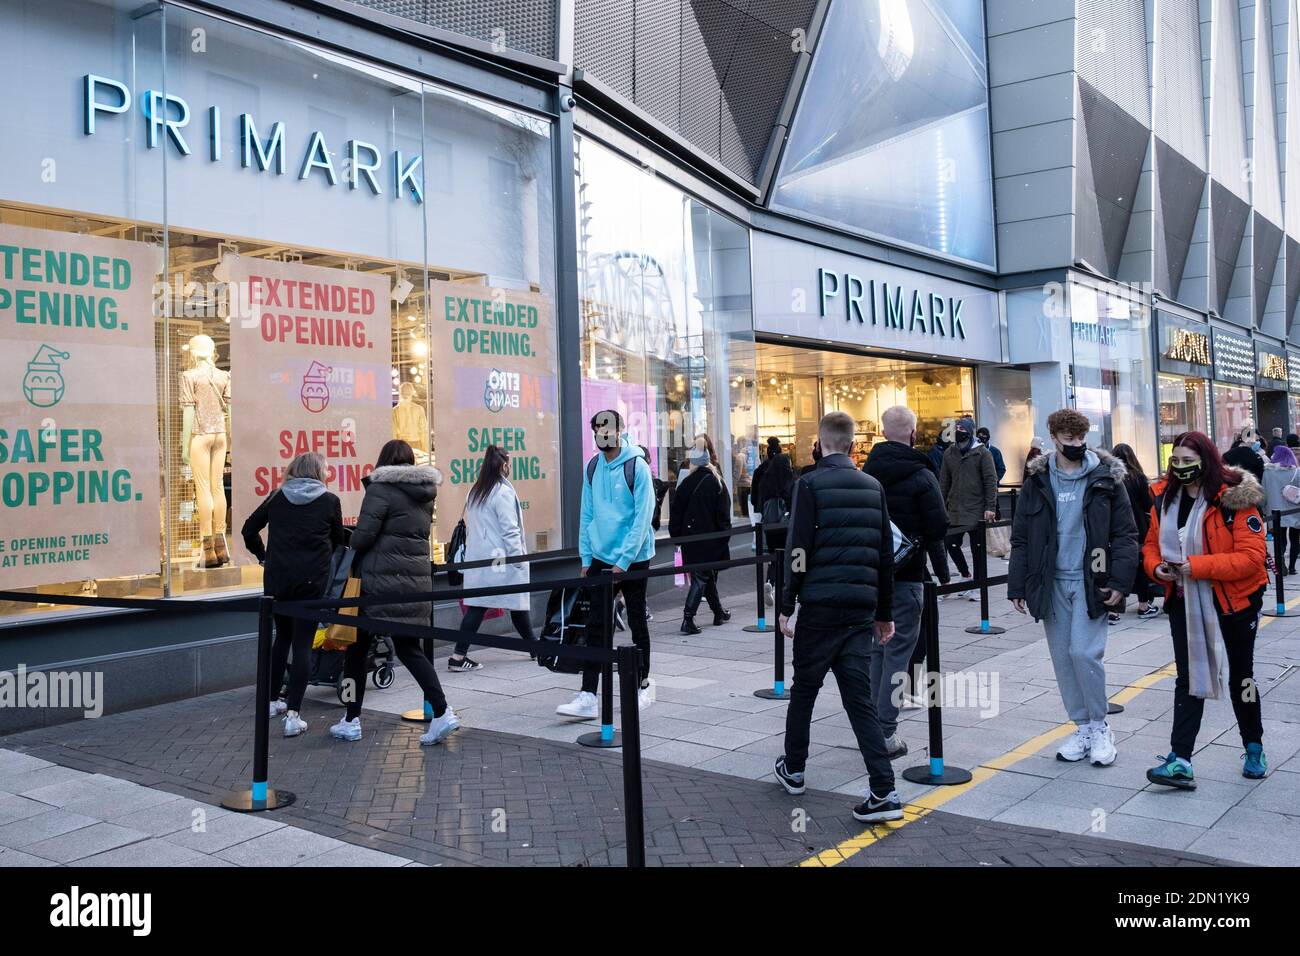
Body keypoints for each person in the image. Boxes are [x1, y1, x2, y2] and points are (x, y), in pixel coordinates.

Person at [773, 411, 903, 824]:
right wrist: (884, 613)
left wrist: (787, 604)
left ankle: (794, 768)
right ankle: (883, 789)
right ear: (850, 444)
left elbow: (798, 548)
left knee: (804, 690)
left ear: (820, 443)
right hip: (860, 609)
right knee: (859, 700)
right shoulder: (873, 486)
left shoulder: (808, 484)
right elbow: (885, 555)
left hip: (821, 606)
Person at [1007, 409, 1137, 767]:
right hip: (1051, 582)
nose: (1077, 445)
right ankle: (1082, 726)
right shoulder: (1036, 480)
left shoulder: (1106, 478)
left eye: (1081, 439)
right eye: (1069, 439)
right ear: (1053, 437)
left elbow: (1125, 534)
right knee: (1064, 660)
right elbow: (1021, 538)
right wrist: (1018, 584)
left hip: (1090, 581)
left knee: (1083, 653)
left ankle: (1100, 726)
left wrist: (1119, 583)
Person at [1143, 431, 1269, 788]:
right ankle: (1180, 759)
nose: (1181, 467)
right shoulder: (1164, 497)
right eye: (1176, 461)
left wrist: (1196, 566)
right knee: (1188, 678)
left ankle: (1254, 745)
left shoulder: (1234, 498)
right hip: (1184, 600)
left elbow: (1251, 558)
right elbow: (1151, 545)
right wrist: (1157, 569)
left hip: (1235, 602)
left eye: (1188, 461)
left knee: (1241, 677)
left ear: (1207, 460)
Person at [330, 440, 459, 746]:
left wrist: (350, 535)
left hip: (376, 584)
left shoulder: (380, 488)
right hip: (413, 583)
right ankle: (442, 711)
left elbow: (362, 538)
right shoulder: (425, 494)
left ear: (383, 461)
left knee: (356, 652)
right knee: (410, 649)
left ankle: (351, 718)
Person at [556, 410, 656, 719]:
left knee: (637, 620)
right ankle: (588, 694)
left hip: (635, 557)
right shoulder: (593, 467)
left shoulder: (636, 466)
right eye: (597, 428)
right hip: (600, 557)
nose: (603, 432)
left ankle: (642, 684)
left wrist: (623, 562)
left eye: (607, 427)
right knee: (596, 625)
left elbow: (643, 518)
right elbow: (586, 515)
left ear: (621, 429)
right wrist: (587, 559)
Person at [864, 405, 949, 757]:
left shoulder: (867, 473)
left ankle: (870, 724)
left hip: (872, 578)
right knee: (899, 653)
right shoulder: (922, 474)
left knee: (877, 651)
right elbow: (938, 527)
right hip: (908, 576)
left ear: (884, 433)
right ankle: (885, 731)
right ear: (913, 433)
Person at [242, 452, 345, 737]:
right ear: (319, 472)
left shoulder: (277, 497)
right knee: (302, 644)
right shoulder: (329, 501)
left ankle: (272, 701)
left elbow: (248, 529)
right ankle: (293, 715)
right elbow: (339, 541)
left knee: (281, 639)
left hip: (278, 582)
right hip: (311, 584)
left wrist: (263, 557)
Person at [447, 444, 537, 672]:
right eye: (509, 464)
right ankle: (536, 650)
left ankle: (458, 656)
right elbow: (510, 531)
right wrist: (518, 560)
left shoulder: (475, 491)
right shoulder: (502, 492)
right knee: (516, 604)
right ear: (504, 465)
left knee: (479, 606)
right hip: (501, 560)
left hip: (482, 559)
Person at [669, 439, 732, 634]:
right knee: (703, 575)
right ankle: (688, 618)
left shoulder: (685, 483)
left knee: (705, 575)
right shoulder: (717, 482)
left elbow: (676, 514)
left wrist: (677, 538)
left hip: (690, 539)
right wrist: (724, 537)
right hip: (711, 539)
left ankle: (718, 612)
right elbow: (724, 515)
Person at [939, 416, 998, 598]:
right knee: (950, 543)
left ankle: (979, 585)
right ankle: (965, 575)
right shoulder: (949, 453)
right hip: (955, 508)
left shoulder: (982, 453)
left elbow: (990, 480)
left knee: (977, 548)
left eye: (962, 430)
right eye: (956, 429)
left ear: (969, 432)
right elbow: (944, 481)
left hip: (977, 508)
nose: (958, 433)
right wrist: (941, 505)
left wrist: (990, 506)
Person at [1109, 443, 1160, 623]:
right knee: (1139, 566)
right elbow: (1148, 504)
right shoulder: (1138, 477)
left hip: (1112, 527)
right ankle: (1143, 605)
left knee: (1114, 564)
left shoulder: (1110, 476)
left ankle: (1112, 609)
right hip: (1136, 527)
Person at [750, 437, 795, 607]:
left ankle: (770, 581)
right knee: (787, 555)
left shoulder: (763, 475)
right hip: (785, 523)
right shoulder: (789, 480)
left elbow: (755, 499)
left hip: (769, 523)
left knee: (773, 556)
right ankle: (785, 588)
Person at [1262, 443, 1300, 575]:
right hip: (1295, 510)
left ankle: (1280, 562)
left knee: (1280, 538)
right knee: (1295, 539)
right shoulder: (1297, 472)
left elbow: (1263, 493)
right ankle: (1292, 567)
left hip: (1275, 510)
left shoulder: (1267, 472)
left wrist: (1263, 507)